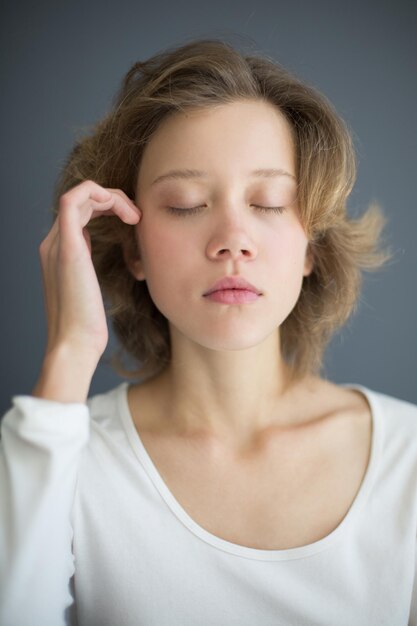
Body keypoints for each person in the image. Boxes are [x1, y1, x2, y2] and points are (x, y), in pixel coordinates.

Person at [1, 37, 416, 626]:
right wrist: (69, 353)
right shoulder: (57, 456)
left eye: (269, 203)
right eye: (188, 203)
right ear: (134, 248)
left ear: (312, 246)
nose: (232, 239)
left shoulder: (408, 456)